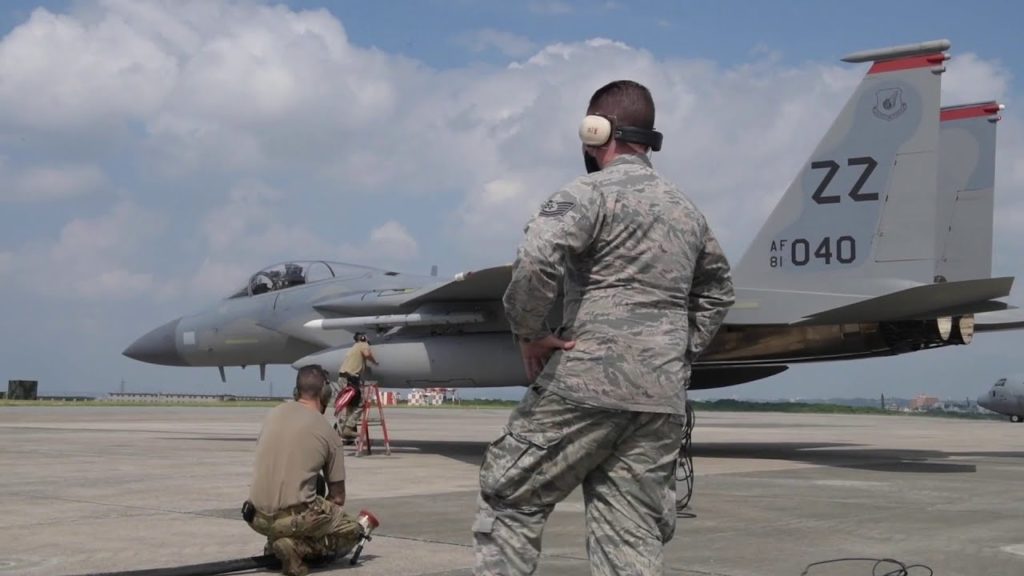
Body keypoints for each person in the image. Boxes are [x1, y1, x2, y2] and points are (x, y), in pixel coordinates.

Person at [472, 80, 735, 575]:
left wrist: (529, 333)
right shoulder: (687, 211)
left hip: (586, 382)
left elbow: (535, 260)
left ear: (597, 131)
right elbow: (719, 291)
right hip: (659, 398)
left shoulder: (589, 194)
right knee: (630, 530)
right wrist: (675, 352)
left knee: (509, 496)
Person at [245, 365, 365, 576]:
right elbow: (337, 498)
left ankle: (275, 541)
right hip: (293, 521)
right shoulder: (328, 432)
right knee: (354, 529)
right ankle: (297, 547)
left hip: (256, 518)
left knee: (309, 489)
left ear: (296, 392)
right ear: (325, 394)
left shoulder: (272, 415)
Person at [337, 332, 379, 443]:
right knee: (360, 404)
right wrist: (375, 362)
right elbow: (366, 354)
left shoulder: (354, 346)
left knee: (351, 405)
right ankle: (348, 429)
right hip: (351, 379)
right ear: (363, 337)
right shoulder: (363, 344)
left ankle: (345, 429)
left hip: (343, 378)